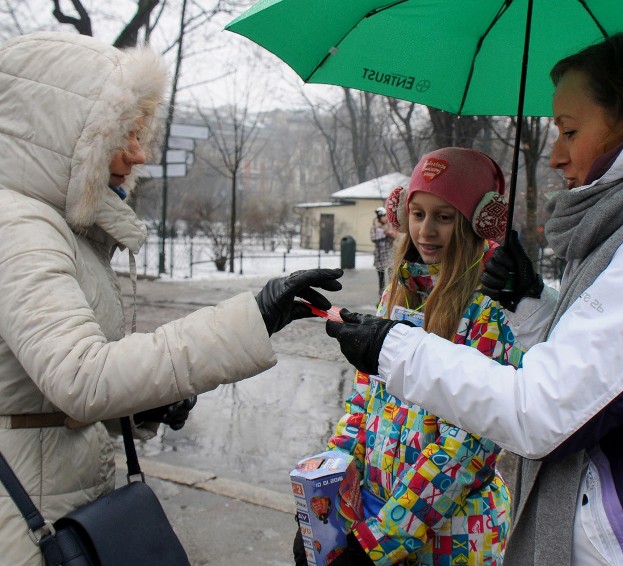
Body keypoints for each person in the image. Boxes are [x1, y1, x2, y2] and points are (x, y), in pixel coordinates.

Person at [327, 30, 623, 564]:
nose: (555, 155)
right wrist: (530, 303)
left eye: (569, 130)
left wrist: (392, 347)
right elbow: (594, 370)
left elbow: (541, 412)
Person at [0, 32, 343, 565]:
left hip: (57, 497)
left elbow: (35, 393)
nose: (139, 154)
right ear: (67, 134)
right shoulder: (19, 228)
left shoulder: (60, 228)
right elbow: (80, 378)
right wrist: (252, 316)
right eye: (123, 134)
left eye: (141, 133)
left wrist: (142, 404)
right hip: (29, 519)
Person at [298, 147, 524, 566]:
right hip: (372, 513)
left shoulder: (490, 312)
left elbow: (465, 448)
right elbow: (363, 406)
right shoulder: (397, 294)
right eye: (418, 214)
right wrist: (324, 501)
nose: (426, 230)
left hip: (453, 537)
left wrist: (378, 542)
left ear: (475, 223)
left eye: (444, 216)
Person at [370, 206, 397, 298]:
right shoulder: (375, 227)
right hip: (379, 255)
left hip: (389, 254)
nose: (385, 218)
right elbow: (373, 238)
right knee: (381, 277)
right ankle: (381, 295)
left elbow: (395, 237)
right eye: (383, 216)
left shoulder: (390, 226)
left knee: (391, 275)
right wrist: (385, 232)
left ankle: (392, 293)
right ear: (379, 217)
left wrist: (391, 234)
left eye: (386, 216)